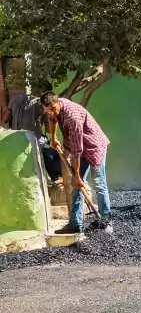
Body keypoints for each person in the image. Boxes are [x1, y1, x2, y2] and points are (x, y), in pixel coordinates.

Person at [40, 92, 112, 234]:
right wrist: (54, 137)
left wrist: (78, 176)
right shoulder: (52, 107)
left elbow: (77, 151)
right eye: (48, 110)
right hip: (79, 147)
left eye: (53, 109)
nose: (51, 112)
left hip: (93, 146)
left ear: (57, 103)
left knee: (99, 182)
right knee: (76, 185)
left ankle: (106, 221)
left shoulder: (73, 118)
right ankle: (75, 224)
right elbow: (53, 119)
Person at [7, 93, 62, 184]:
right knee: (50, 148)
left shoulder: (15, 98)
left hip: (16, 137)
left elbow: (6, 117)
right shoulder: (40, 105)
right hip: (32, 137)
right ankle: (56, 178)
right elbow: (48, 129)